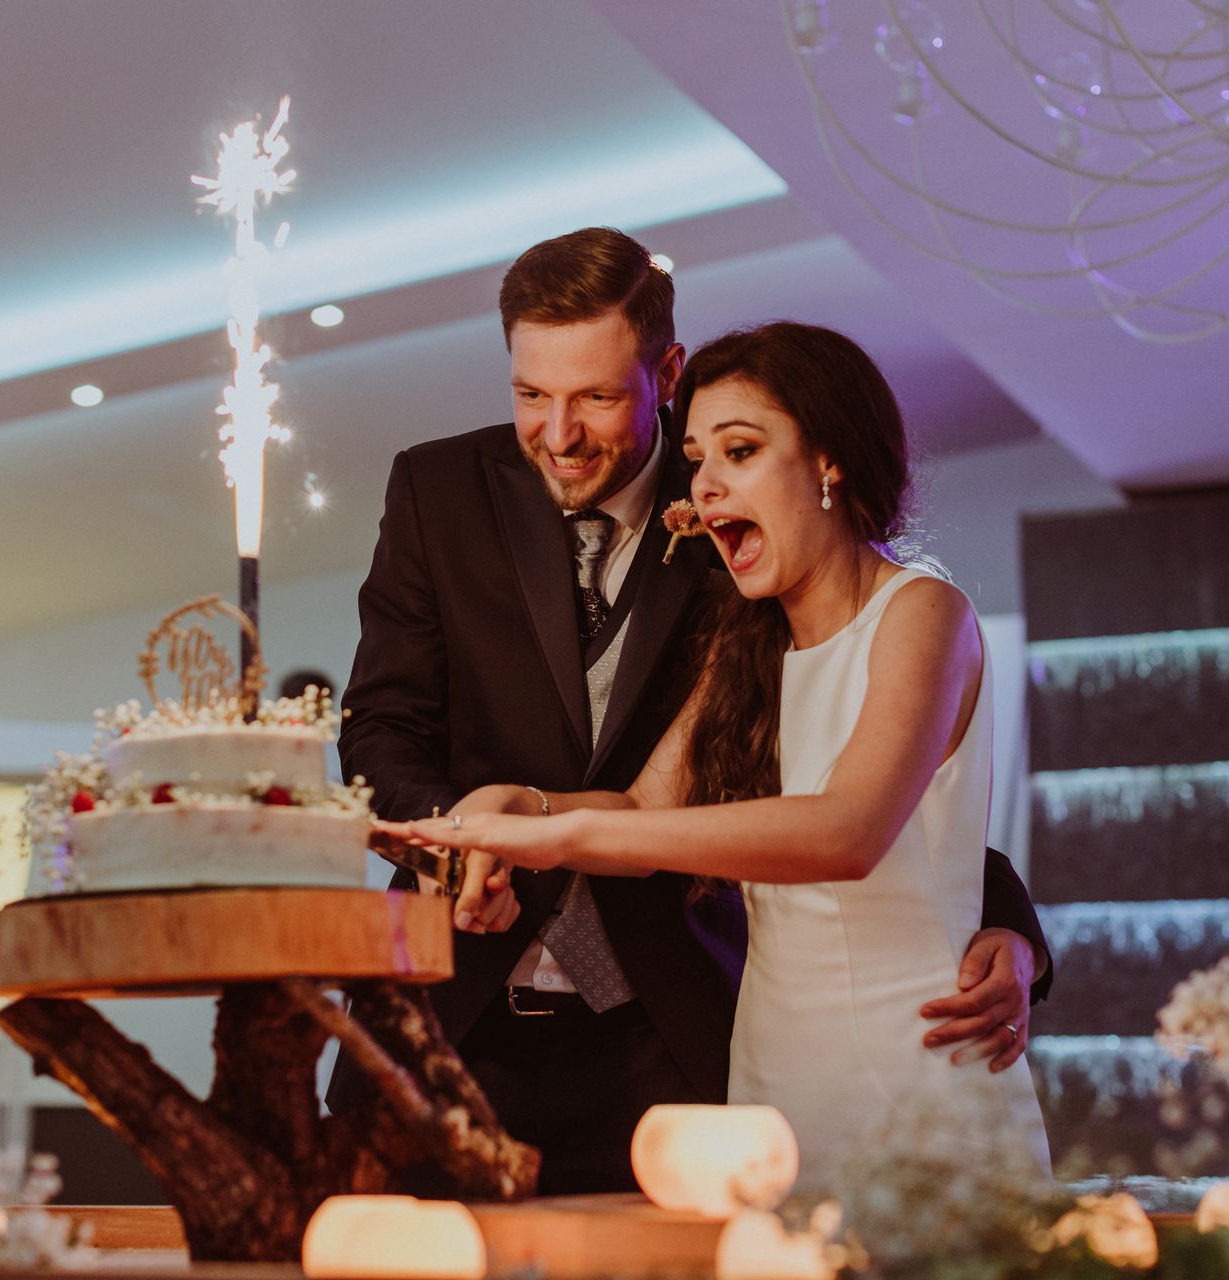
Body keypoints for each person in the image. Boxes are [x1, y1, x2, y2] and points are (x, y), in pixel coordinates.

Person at [335, 229, 1051, 1192]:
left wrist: (1009, 927)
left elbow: (869, 800)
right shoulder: (441, 492)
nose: (559, 433)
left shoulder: (757, 522)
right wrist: (479, 834)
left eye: (593, 395)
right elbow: (385, 730)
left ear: (662, 372)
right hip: (464, 1017)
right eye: (530, 395)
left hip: (672, 1037)